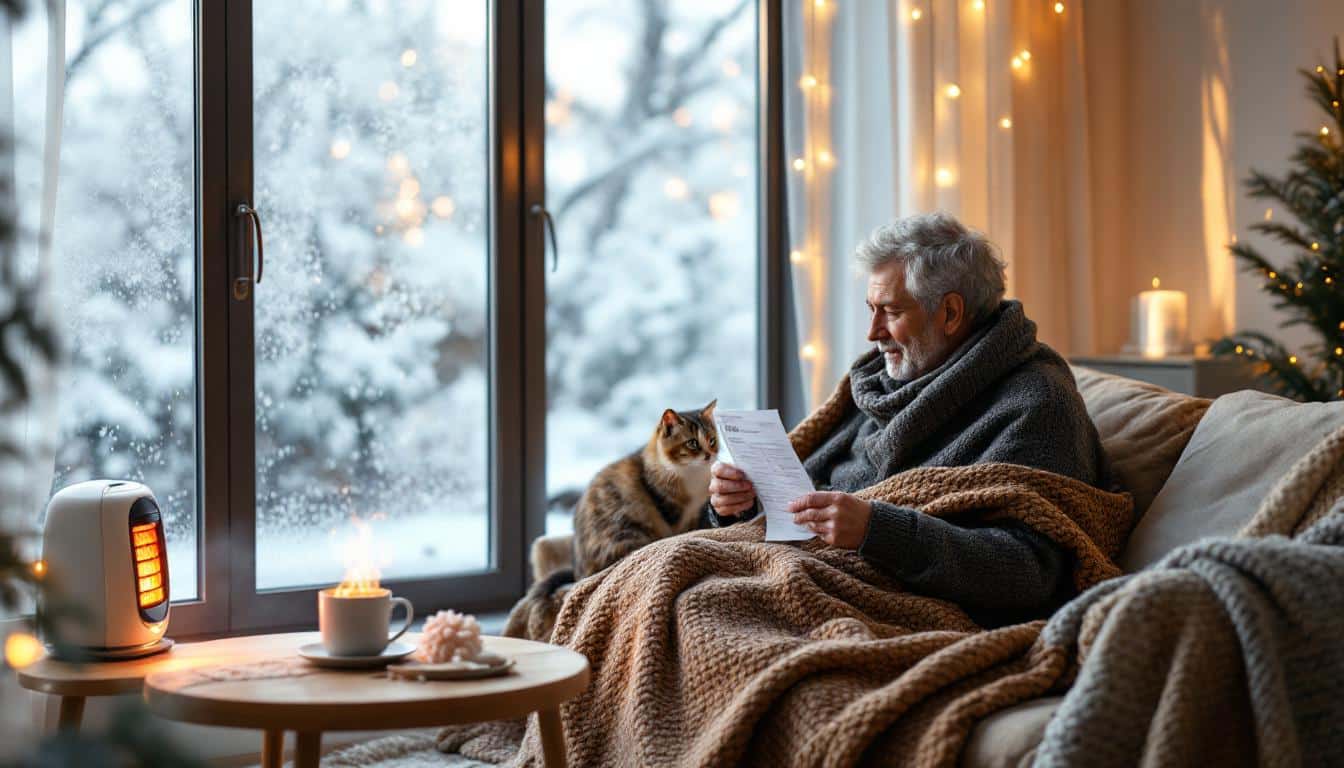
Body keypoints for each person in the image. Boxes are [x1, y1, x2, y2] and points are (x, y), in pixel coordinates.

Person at [707, 212, 1112, 626]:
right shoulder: (875, 385)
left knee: (695, 597)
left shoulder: (1037, 404)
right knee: (672, 571)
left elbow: (1030, 573)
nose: (873, 332)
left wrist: (878, 531)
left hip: (890, 604)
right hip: (797, 566)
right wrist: (742, 504)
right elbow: (805, 499)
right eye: (871, 309)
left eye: (890, 311)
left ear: (950, 313)